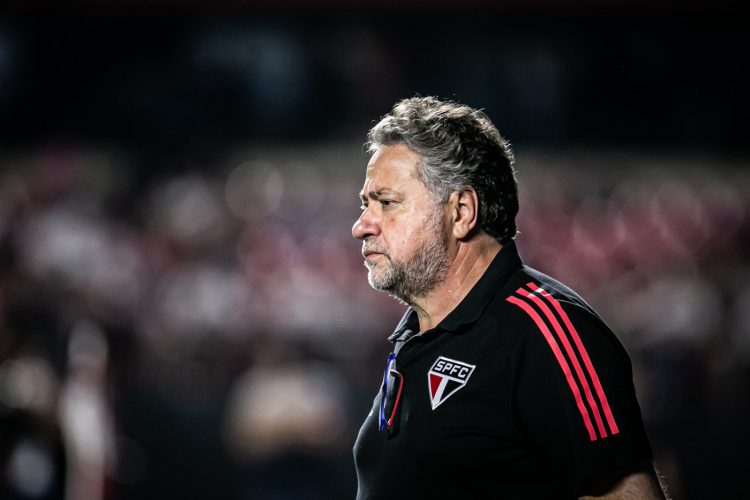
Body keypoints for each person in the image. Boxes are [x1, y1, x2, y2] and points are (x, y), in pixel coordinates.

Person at [351, 96, 667, 499]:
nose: (361, 226)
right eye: (366, 204)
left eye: (386, 203)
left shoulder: (546, 333)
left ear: (462, 212)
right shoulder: (417, 334)